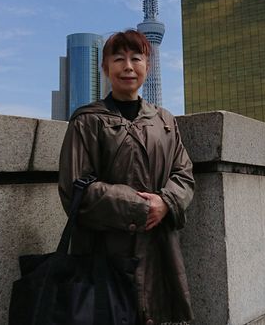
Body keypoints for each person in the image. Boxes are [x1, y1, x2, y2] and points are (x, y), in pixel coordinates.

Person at [58, 30, 195, 324]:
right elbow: (75, 188)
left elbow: (184, 173)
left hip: (160, 251)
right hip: (104, 251)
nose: (128, 67)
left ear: (147, 66)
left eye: (136, 58)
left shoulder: (165, 121)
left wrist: (167, 202)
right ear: (105, 68)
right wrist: (141, 208)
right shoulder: (87, 121)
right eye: (118, 59)